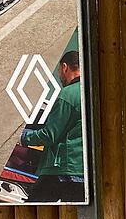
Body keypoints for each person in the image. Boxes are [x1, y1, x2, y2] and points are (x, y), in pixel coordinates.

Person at [21, 50, 85, 203]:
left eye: (59, 71)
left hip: (62, 169)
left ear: (64, 67)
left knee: (34, 211)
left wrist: (23, 137)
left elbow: (50, 135)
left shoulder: (68, 94)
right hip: (84, 170)